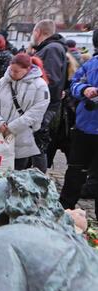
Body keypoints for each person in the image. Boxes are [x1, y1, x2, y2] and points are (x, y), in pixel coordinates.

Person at [0, 53, 50, 171]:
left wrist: (11, 127)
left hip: (21, 137)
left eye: (17, 71)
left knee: (16, 172)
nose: (12, 74)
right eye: (11, 70)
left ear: (27, 70)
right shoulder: (3, 81)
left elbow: (36, 112)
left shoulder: (40, 86)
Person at [60, 30, 98, 218]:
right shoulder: (90, 65)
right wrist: (85, 89)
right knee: (75, 170)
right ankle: (64, 209)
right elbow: (74, 85)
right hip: (86, 127)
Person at [31, 19, 67, 172]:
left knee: (38, 146)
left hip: (45, 107)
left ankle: (38, 182)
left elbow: (50, 79)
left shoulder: (52, 49)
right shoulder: (48, 48)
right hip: (44, 105)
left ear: (38, 32)